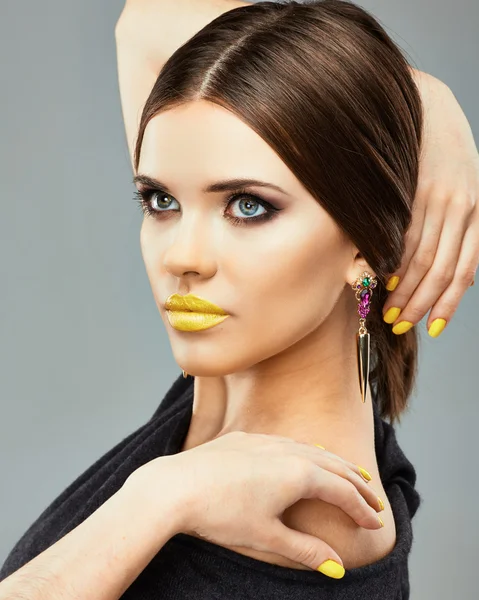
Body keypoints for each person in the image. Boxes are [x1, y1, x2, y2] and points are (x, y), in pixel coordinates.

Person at [0, 0, 477, 598]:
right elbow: (145, 22)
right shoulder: (231, 390)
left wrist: (160, 499)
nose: (182, 256)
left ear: (366, 239)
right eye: (160, 201)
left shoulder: (304, 529)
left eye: (249, 206)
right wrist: (421, 98)